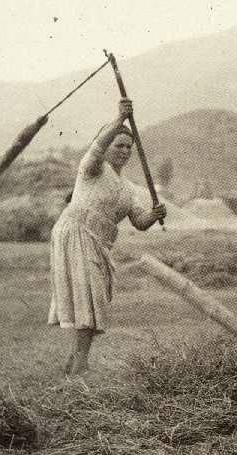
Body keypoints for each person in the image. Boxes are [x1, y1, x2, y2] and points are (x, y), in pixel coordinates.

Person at [48, 98, 166, 376]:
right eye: (119, 145)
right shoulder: (93, 169)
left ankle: (74, 361)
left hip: (98, 242)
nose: (124, 151)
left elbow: (139, 223)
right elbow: (97, 147)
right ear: (108, 145)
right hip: (75, 232)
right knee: (88, 299)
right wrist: (119, 120)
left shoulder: (128, 189)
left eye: (128, 147)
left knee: (92, 299)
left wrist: (155, 213)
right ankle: (80, 364)